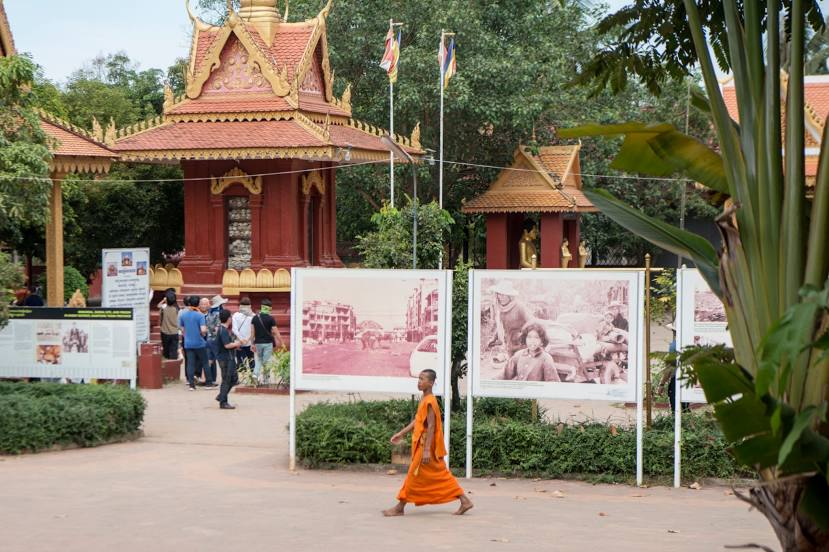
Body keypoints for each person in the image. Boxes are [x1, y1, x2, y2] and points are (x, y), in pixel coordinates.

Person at [383, 369, 474, 517]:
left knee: (413, 474)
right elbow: (418, 420)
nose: (419, 381)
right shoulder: (424, 398)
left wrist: (426, 451)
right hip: (422, 444)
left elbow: (431, 426)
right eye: (418, 378)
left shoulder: (431, 400)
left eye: (422, 379)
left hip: (427, 445)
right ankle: (464, 500)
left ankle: (400, 507)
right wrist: (401, 433)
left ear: (431, 383)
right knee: (440, 474)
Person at [179, 295, 213, 390]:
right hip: (199, 342)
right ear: (198, 304)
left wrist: (187, 334)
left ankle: (191, 385)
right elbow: (203, 330)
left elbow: (181, 328)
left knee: (190, 363)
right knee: (205, 362)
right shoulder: (200, 315)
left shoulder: (183, 315)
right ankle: (208, 383)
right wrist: (202, 334)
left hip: (188, 342)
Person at [251, 298, 284, 383]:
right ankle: (266, 380)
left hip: (258, 343)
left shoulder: (255, 318)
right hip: (268, 344)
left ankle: (255, 374)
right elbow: (276, 332)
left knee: (259, 360)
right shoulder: (270, 319)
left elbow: (252, 333)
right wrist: (282, 342)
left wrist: (252, 344)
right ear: (269, 308)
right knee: (266, 362)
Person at [215, 309, 241, 410]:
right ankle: (223, 401)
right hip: (225, 358)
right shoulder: (223, 330)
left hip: (228, 357)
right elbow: (227, 345)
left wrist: (234, 345)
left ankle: (222, 395)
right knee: (227, 379)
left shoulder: (223, 329)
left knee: (234, 378)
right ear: (229, 319)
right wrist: (237, 344)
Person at [232, 297, 255, 372]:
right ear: (250, 306)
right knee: (251, 361)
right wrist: (247, 339)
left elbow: (234, 329)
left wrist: (241, 339)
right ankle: (253, 379)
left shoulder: (235, 315)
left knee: (241, 362)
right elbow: (253, 331)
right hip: (249, 342)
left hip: (239, 342)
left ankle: (242, 380)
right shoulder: (253, 316)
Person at [158, 289, 180, 360]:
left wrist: (163, 300)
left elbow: (158, 305)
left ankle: (166, 361)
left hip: (165, 332)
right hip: (174, 332)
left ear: (166, 299)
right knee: (173, 350)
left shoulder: (163, 307)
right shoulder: (177, 309)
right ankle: (173, 365)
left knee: (166, 350)